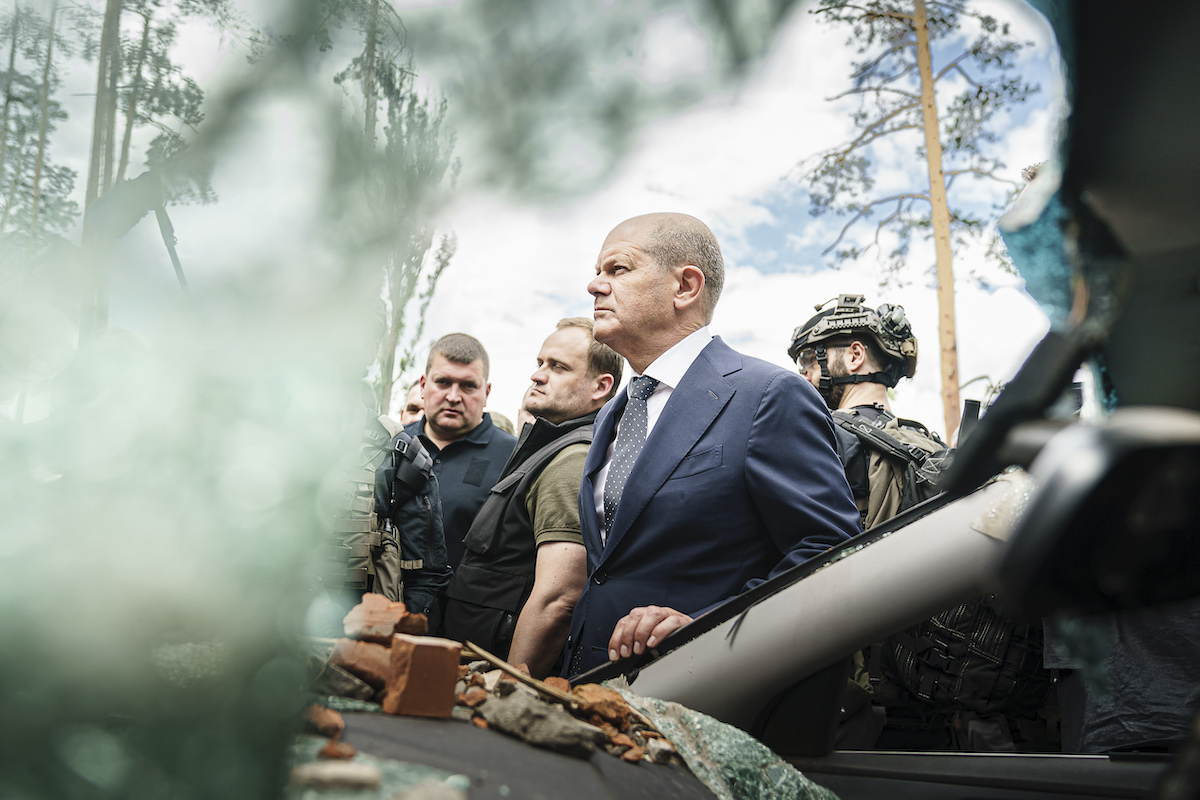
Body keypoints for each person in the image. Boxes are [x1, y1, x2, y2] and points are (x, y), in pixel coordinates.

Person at [564, 212, 861, 677]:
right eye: (598, 271)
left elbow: (827, 553)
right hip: (589, 687)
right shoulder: (613, 414)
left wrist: (701, 627)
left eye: (617, 269)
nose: (594, 286)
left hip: (701, 691)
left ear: (686, 286)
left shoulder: (767, 394)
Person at [444, 318, 622, 677]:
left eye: (557, 367)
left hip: (494, 680)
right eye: (540, 363)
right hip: (473, 668)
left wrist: (508, 690)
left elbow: (559, 600)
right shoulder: (549, 449)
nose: (538, 376)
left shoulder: (570, 459)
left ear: (600, 387)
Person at [788, 294, 942, 529]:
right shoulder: (925, 440)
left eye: (808, 358)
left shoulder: (821, 434)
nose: (804, 373)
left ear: (855, 356)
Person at [405, 334, 517, 571]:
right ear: (424, 386)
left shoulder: (514, 458)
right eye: (443, 382)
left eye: (468, 386)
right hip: (384, 603)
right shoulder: (392, 445)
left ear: (486, 392)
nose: (453, 397)